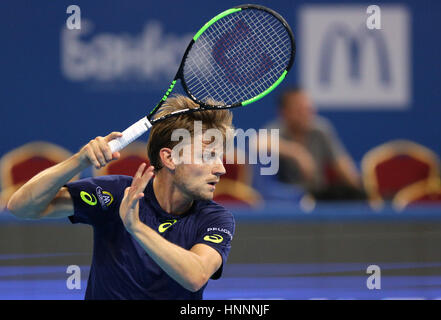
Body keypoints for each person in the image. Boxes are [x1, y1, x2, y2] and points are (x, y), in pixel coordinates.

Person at [6, 95, 235, 300]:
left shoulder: (215, 219)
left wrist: (136, 227)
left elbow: (196, 275)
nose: (220, 169)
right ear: (170, 158)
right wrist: (79, 160)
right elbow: (21, 207)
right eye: (208, 155)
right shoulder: (115, 194)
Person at [265, 87, 365, 200]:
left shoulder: (321, 130)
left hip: (319, 194)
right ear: (284, 112)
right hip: (290, 198)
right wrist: (297, 152)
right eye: (299, 110)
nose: (306, 114)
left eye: (308, 109)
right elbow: (257, 142)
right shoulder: (276, 129)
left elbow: (341, 164)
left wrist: (360, 190)